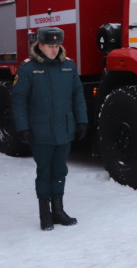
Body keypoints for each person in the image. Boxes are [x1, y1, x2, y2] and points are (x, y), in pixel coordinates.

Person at [11, 26, 88, 231]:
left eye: (57, 45)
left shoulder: (69, 67)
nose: (54, 50)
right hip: (40, 131)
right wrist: (23, 128)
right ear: (40, 45)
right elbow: (19, 101)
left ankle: (59, 211)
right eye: (50, 46)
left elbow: (78, 97)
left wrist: (81, 121)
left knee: (60, 170)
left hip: (64, 129)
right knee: (45, 171)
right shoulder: (28, 69)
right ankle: (45, 215)